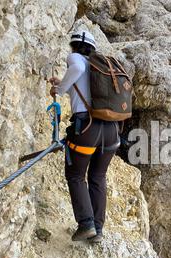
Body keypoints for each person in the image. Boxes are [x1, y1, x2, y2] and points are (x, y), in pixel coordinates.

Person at [49, 30, 120, 243]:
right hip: (111, 131)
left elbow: (77, 68)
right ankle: (97, 229)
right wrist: (64, 83)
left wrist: (60, 90)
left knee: (76, 175)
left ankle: (86, 223)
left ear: (73, 46)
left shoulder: (76, 59)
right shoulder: (99, 69)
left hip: (87, 128)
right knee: (98, 177)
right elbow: (84, 90)